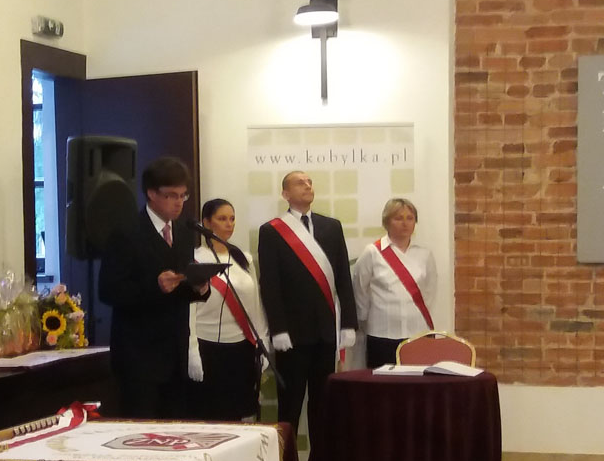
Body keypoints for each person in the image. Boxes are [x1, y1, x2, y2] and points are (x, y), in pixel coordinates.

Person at [99, 156, 209, 418]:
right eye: (171, 195)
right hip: (139, 357)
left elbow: (179, 285)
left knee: (175, 431)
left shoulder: (184, 230)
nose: (179, 202)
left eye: (183, 195)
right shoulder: (126, 232)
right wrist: (154, 286)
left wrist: (199, 288)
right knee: (142, 430)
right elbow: (108, 290)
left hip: (176, 354)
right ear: (151, 193)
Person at [257, 170, 356, 440]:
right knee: (289, 407)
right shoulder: (271, 231)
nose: (308, 186)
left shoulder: (331, 227)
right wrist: (278, 329)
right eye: (300, 183)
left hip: (326, 333)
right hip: (292, 336)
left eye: (310, 182)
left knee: (323, 408)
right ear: (285, 193)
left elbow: (343, 277)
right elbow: (270, 284)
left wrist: (348, 323)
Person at [187, 198, 269, 421]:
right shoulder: (194, 258)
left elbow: (255, 304)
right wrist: (192, 350)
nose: (229, 224)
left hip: (241, 347)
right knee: (211, 415)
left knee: (241, 414)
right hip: (207, 346)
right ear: (206, 223)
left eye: (232, 219)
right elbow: (190, 309)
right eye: (222, 219)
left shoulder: (244, 258)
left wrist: (261, 341)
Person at [352, 197, 438, 369]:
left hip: (418, 331)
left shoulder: (424, 254)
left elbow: (430, 290)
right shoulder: (372, 252)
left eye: (410, 218)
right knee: (383, 382)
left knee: (417, 380)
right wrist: (363, 319)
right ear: (387, 221)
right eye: (398, 218)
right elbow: (360, 289)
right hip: (382, 332)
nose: (405, 223)